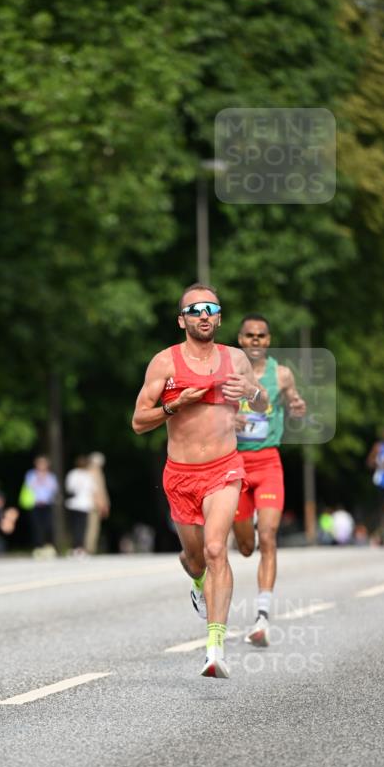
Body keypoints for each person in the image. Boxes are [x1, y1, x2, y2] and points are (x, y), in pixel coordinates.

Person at [132, 283, 267, 679]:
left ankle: (215, 647)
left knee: (214, 549)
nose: (204, 314)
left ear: (220, 317)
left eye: (211, 308)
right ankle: (196, 582)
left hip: (225, 468)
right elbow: (139, 421)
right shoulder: (165, 364)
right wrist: (177, 403)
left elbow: (261, 403)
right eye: (195, 310)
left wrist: (252, 391)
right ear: (182, 320)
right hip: (180, 476)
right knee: (194, 559)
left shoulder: (236, 359)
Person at [232, 314, 306, 646]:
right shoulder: (229, 371)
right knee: (247, 546)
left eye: (261, 335)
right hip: (235, 466)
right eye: (250, 335)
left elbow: (293, 405)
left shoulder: (282, 374)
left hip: (268, 464)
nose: (256, 340)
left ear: (269, 339)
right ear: (240, 339)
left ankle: (262, 615)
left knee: (269, 535)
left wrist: (296, 408)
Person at [21, 455, 59, 556]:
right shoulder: (31, 474)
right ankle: (38, 547)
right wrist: (39, 478)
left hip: (47, 504)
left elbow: (54, 488)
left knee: (48, 526)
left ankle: (48, 546)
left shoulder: (51, 476)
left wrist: (44, 480)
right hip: (35, 504)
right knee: (36, 527)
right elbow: (30, 486)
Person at [64, 456, 96, 556]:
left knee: (75, 527)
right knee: (82, 527)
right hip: (84, 504)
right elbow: (93, 489)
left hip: (74, 504)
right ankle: (80, 547)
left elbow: (69, 488)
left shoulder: (72, 474)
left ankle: (75, 547)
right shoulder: (88, 475)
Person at [85, 452, 110, 554]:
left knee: (89, 525)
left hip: (88, 503)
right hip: (94, 504)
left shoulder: (87, 471)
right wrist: (102, 504)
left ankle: (88, 547)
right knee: (92, 526)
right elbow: (97, 490)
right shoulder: (95, 472)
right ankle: (89, 548)